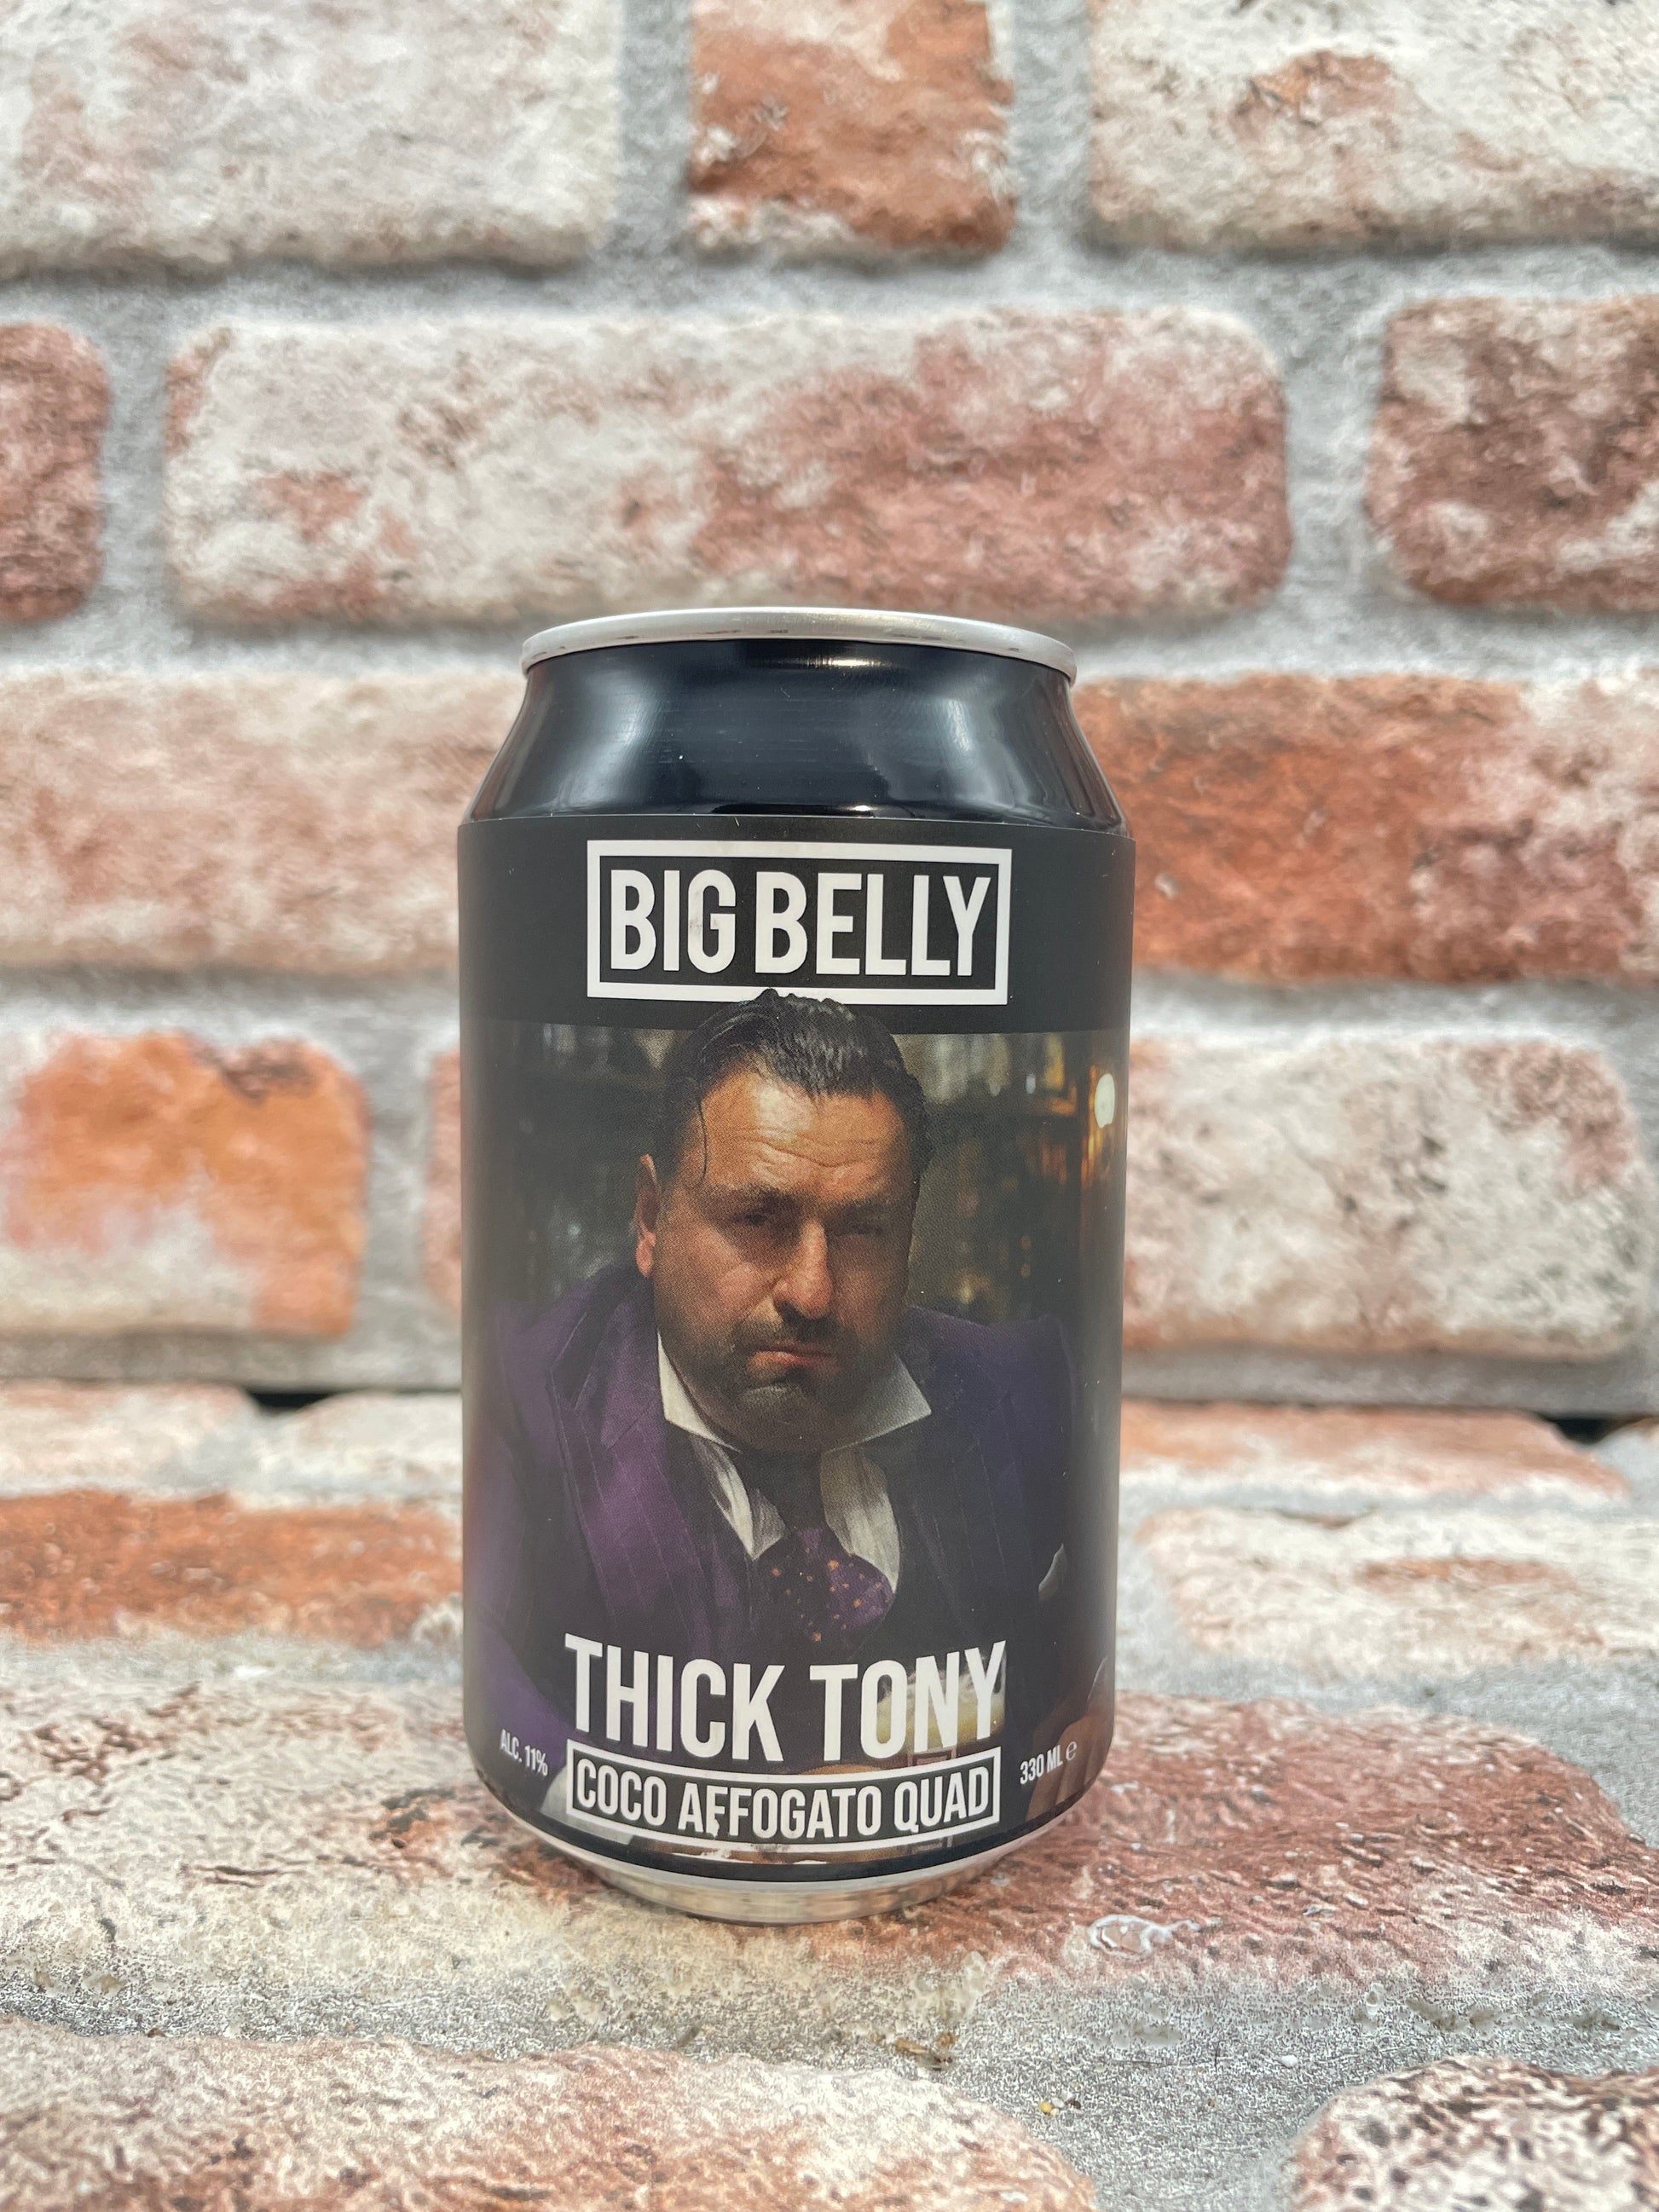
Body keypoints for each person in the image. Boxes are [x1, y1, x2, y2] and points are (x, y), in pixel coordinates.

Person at [467, 990, 1107, 1819]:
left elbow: (1086, 1598)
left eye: (863, 1230)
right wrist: (667, 1833)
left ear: (909, 1237)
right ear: (652, 1218)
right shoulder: (532, 1385)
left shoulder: (1018, 1383)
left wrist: (1089, 1689)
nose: (811, 1290)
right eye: (757, 1219)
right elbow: (488, 1654)